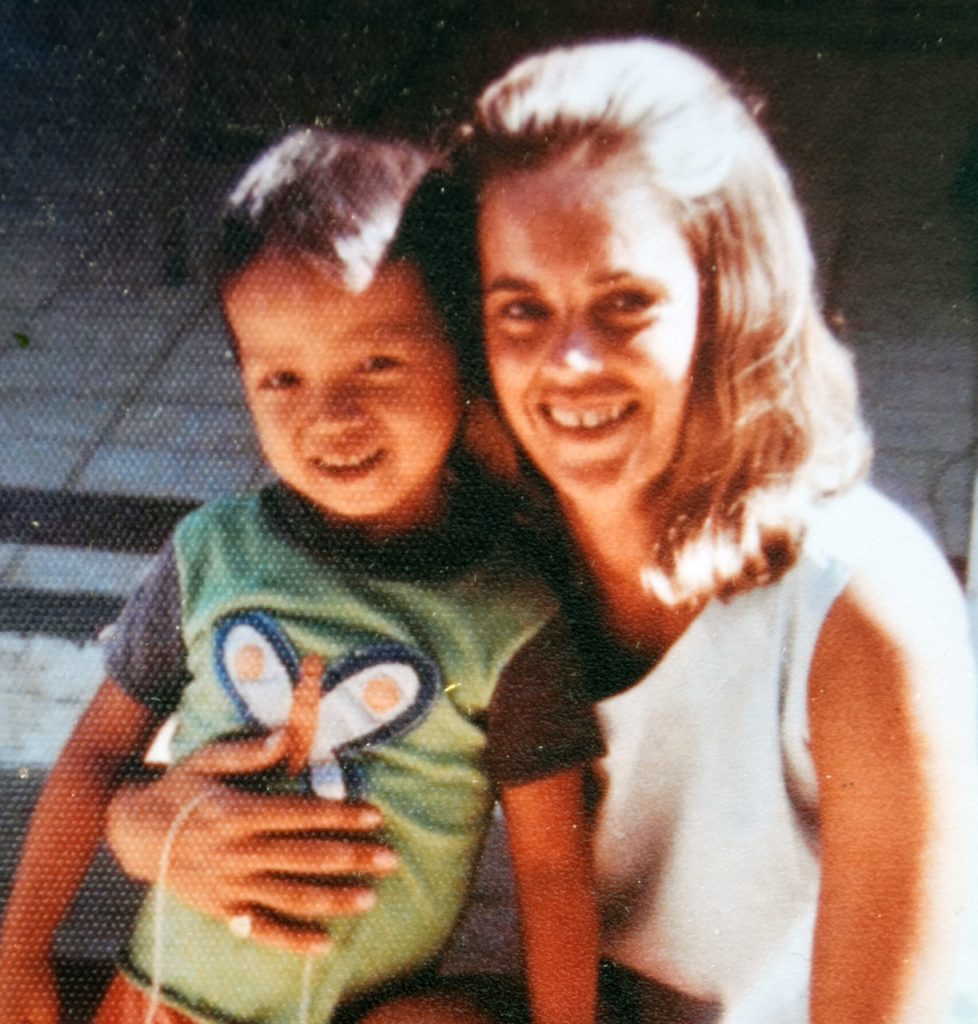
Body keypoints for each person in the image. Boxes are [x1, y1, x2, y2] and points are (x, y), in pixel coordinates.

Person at [91, 37, 978, 1024]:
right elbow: (217, 723)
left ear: (726, 299)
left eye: (626, 302)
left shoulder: (860, 607)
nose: (570, 362)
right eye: (522, 308)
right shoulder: (460, 527)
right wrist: (142, 819)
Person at [0, 128, 600, 1024]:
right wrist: (17, 954)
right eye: (281, 378)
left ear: (462, 356)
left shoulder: (510, 621)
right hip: (166, 1007)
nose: (332, 416)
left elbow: (554, 876)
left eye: (377, 362)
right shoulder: (211, 556)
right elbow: (94, 754)